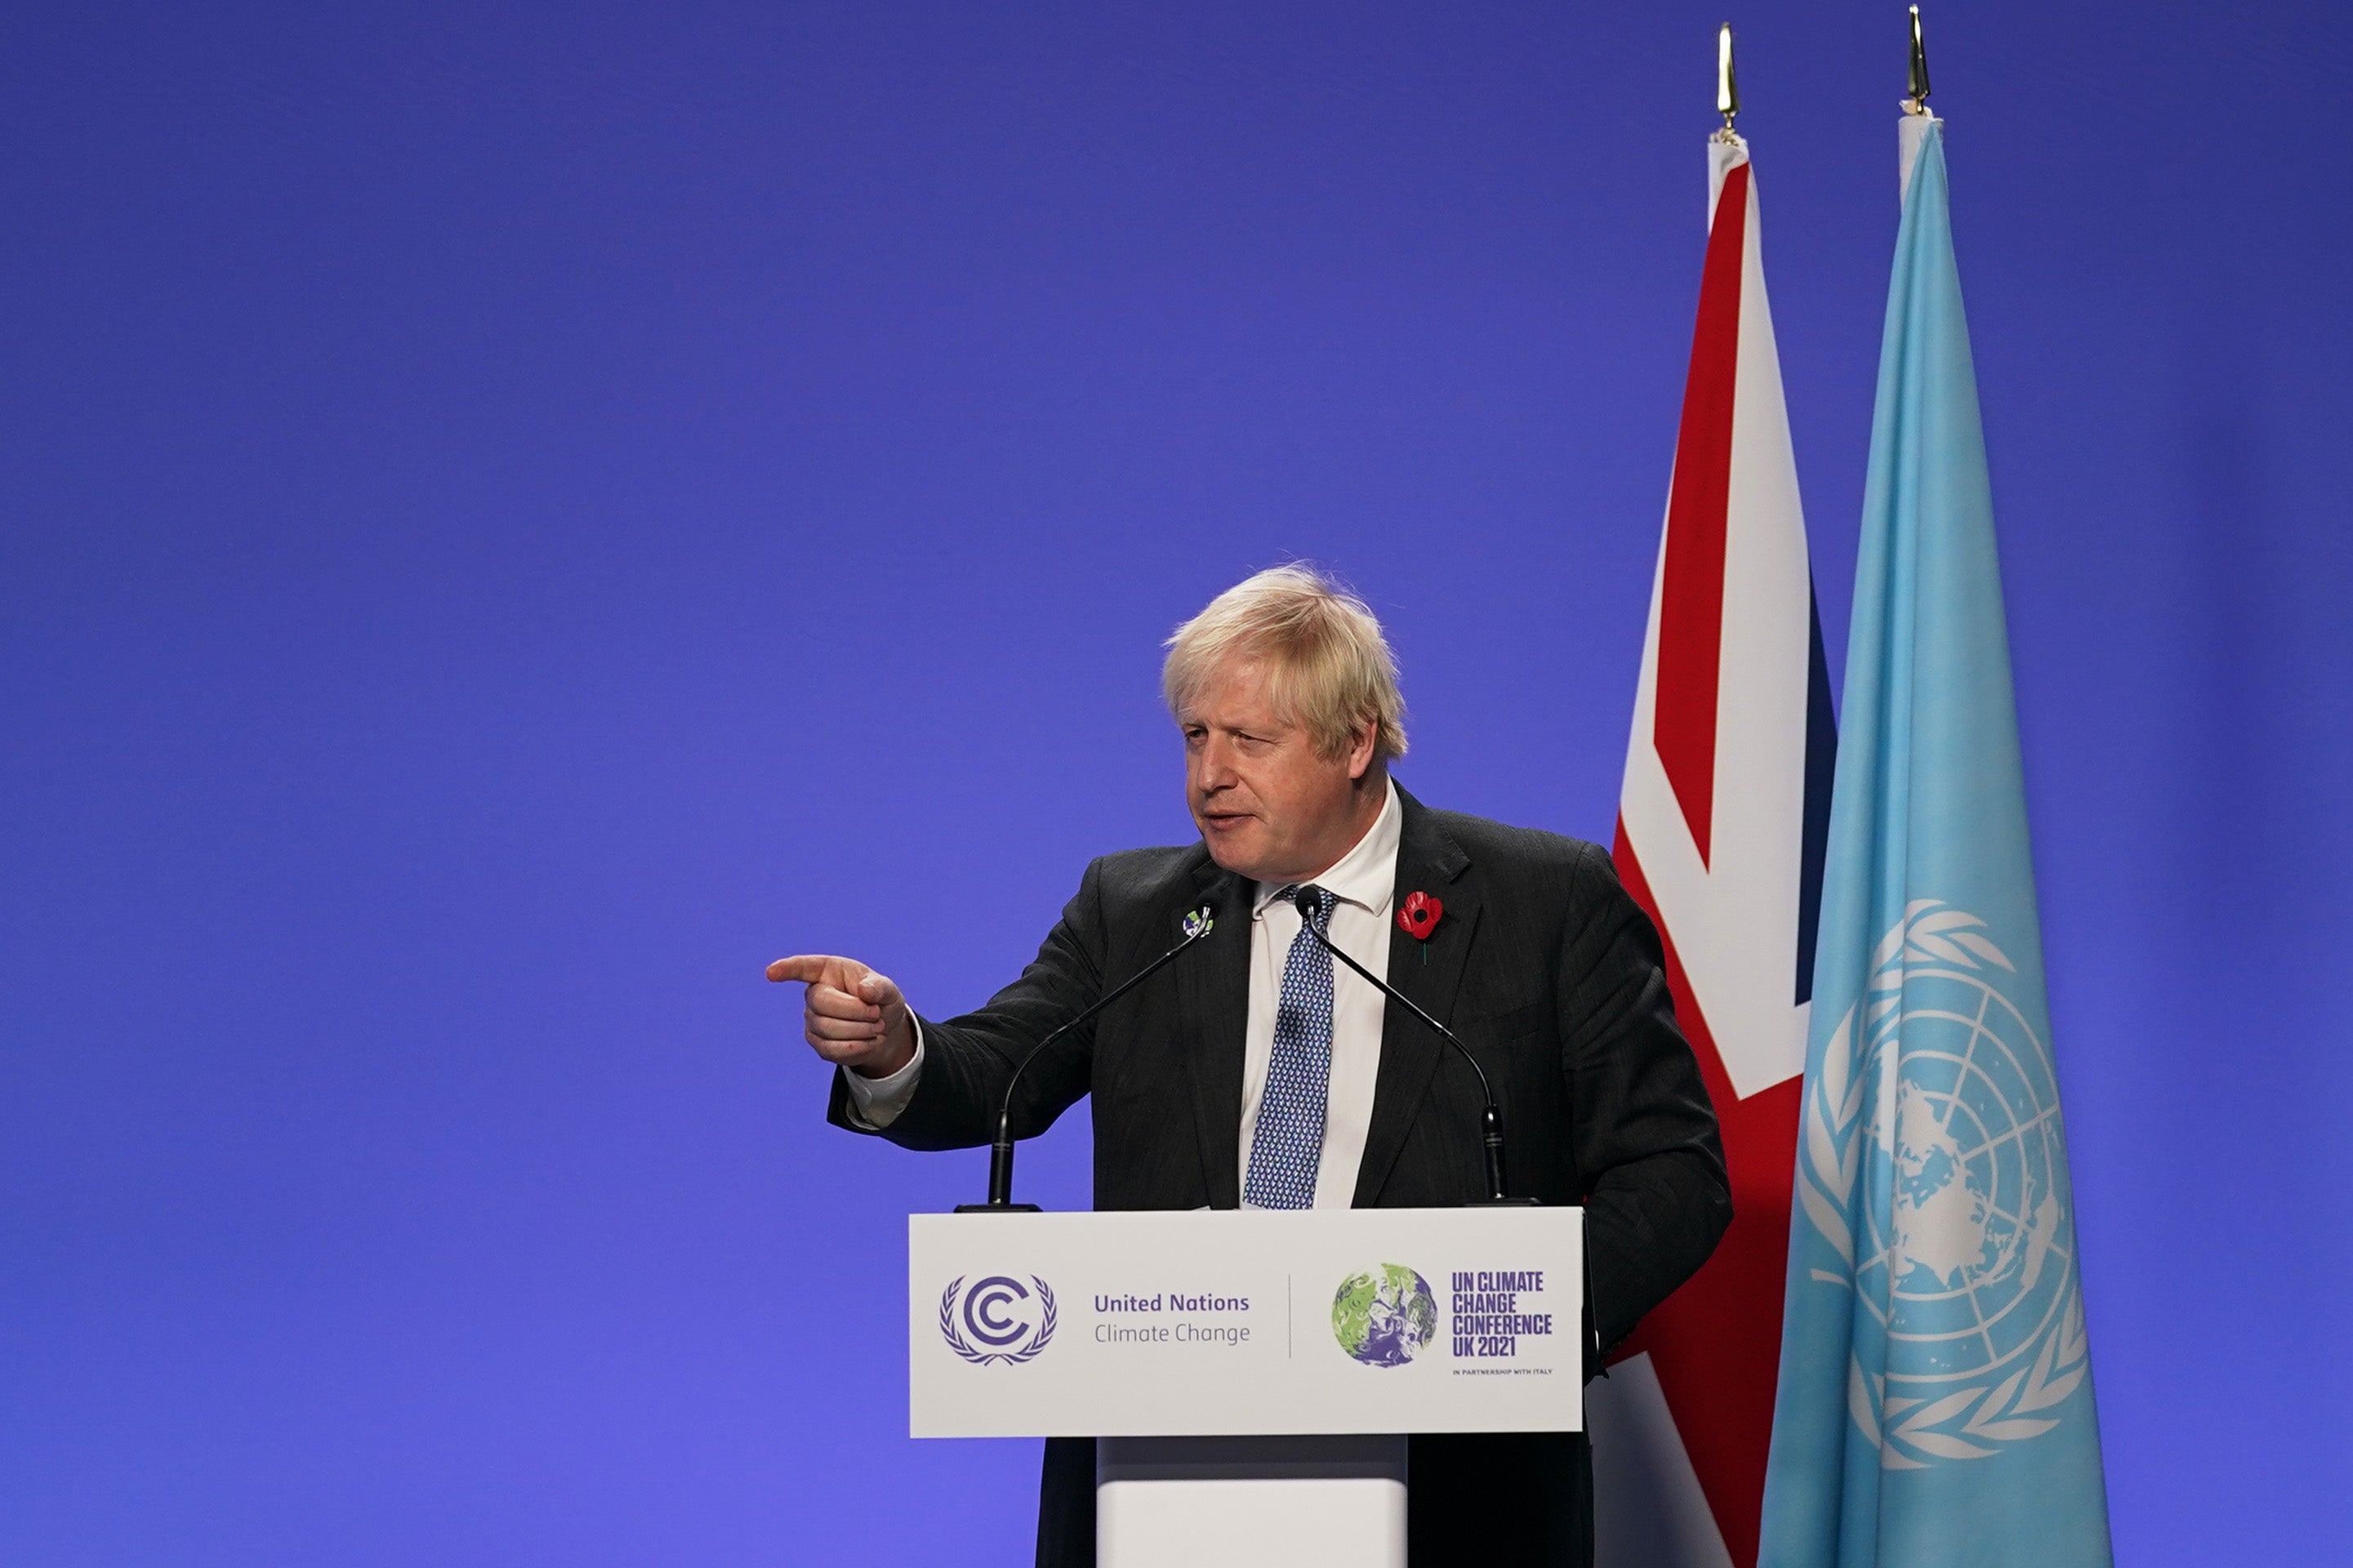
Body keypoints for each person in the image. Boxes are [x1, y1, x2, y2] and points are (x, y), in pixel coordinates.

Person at [769, 565, 1730, 1567]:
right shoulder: (1134, 909)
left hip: (1461, 1480)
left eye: (1248, 741)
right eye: (1194, 737)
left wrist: (1519, 1324)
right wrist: (894, 1048)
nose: (1207, 776)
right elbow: (1003, 1070)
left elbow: (1671, 1172)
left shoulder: (1545, 902)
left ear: (1355, 740)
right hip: (1160, 1465)